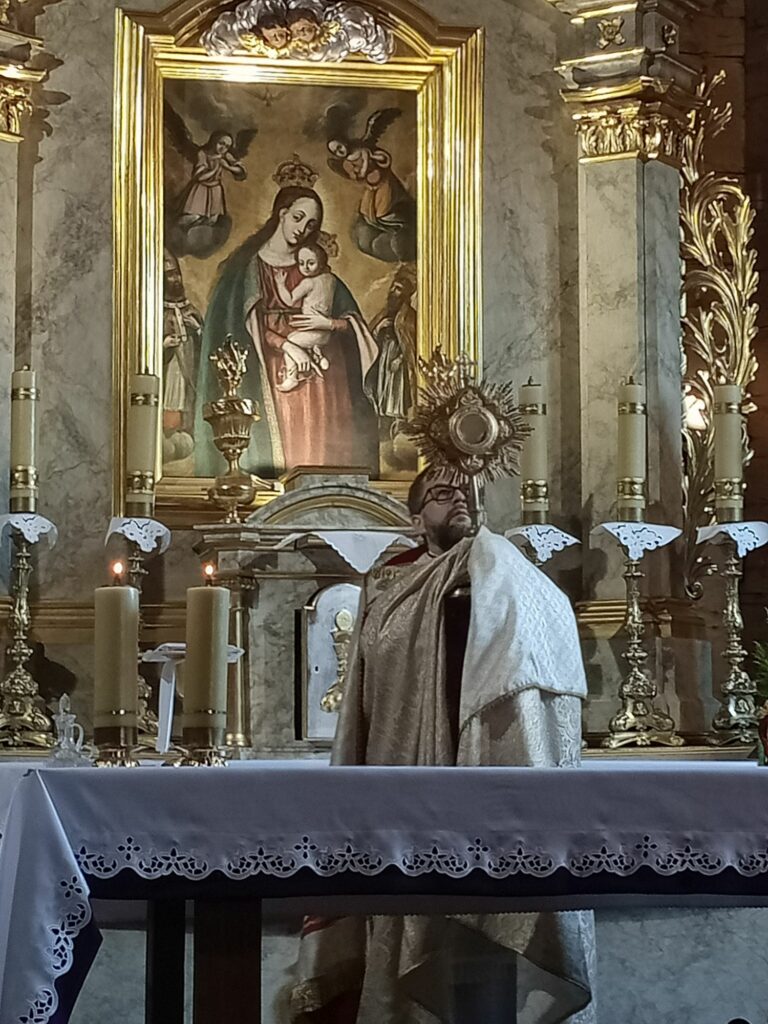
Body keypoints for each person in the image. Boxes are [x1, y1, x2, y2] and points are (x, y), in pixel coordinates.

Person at [291, 466, 596, 1024]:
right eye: (439, 494)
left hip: (493, 788)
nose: (456, 499)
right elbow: (371, 686)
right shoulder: (389, 586)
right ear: (415, 520)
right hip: (405, 783)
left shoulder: (512, 573)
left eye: (464, 491)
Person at [194, 178, 380, 478]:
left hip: (324, 386)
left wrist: (329, 323)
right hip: (270, 376)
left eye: (311, 224)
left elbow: (351, 324)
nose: (303, 229)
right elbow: (241, 327)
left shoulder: (315, 269)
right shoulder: (246, 269)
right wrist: (290, 345)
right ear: (281, 213)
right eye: (298, 217)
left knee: (322, 457)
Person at [274, 242, 336, 391]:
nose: (305, 267)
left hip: (314, 331)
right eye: (301, 263)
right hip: (325, 333)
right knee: (296, 337)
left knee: (290, 343)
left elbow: (289, 300)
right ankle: (318, 355)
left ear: (321, 262)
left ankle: (292, 377)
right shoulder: (331, 279)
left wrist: (280, 284)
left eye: (311, 263)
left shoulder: (308, 282)